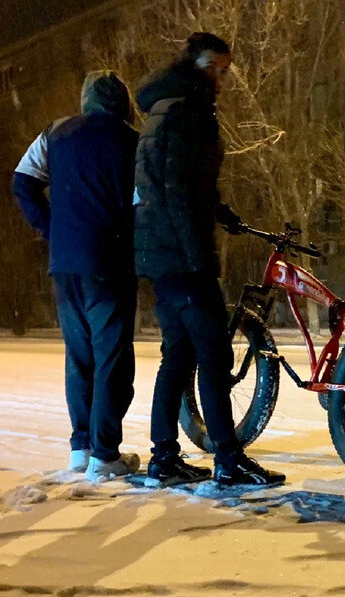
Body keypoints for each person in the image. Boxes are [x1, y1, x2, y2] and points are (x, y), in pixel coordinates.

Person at [133, 32, 285, 488]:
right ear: (197, 65)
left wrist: (221, 214)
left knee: (177, 356)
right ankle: (228, 458)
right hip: (181, 255)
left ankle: (163, 459)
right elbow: (177, 189)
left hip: (161, 254)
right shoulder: (186, 111)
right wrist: (196, 253)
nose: (223, 79)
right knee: (213, 355)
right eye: (217, 69)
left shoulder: (166, 108)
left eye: (226, 71)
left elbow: (185, 182)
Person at [11, 71, 142, 482]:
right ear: (122, 103)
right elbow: (143, 203)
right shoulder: (132, 142)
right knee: (112, 358)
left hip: (65, 263)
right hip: (110, 263)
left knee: (80, 356)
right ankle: (105, 454)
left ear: (85, 100)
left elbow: (22, 183)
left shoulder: (55, 134)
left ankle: (81, 448)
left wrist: (52, 229)